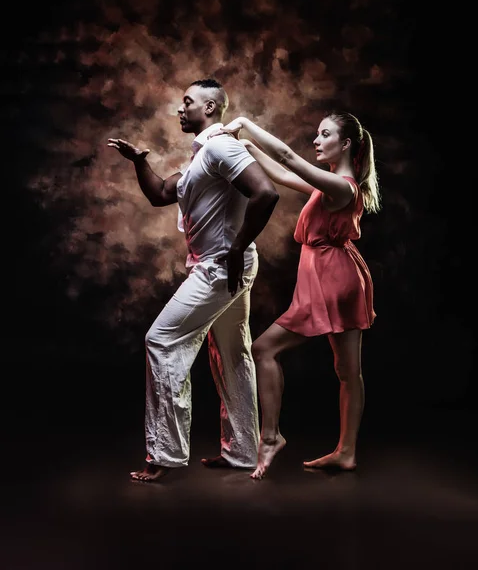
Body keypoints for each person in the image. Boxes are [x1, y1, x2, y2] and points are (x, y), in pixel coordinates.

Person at [107, 79, 279, 481]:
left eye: (188, 102)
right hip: (222, 265)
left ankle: (163, 455)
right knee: (231, 354)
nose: (180, 109)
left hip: (222, 266)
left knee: (161, 340)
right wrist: (138, 162)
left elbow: (265, 193)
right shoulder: (201, 156)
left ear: (212, 107)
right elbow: (162, 193)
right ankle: (241, 451)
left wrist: (236, 249)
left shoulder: (221, 146)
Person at [209, 110, 381, 479]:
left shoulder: (342, 187)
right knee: (348, 372)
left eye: (324, 135)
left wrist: (244, 122)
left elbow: (289, 158)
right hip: (338, 277)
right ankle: (345, 452)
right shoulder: (332, 183)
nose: (316, 141)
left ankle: (271, 437)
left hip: (334, 280)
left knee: (265, 349)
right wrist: (250, 148)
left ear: (346, 143)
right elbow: (285, 174)